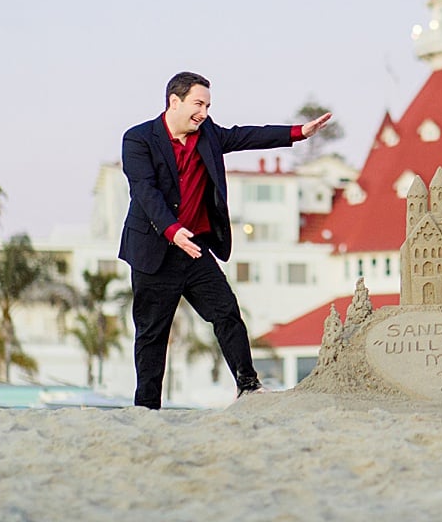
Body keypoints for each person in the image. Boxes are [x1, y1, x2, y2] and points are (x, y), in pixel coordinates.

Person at [119, 71, 331, 409]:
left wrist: (297, 133)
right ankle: (147, 408)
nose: (204, 112)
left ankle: (247, 385)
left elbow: (246, 135)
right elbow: (144, 191)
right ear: (174, 101)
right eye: (198, 104)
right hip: (155, 249)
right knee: (152, 333)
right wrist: (172, 230)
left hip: (196, 250)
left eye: (207, 105)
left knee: (227, 312)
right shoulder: (138, 139)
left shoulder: (207, 135)